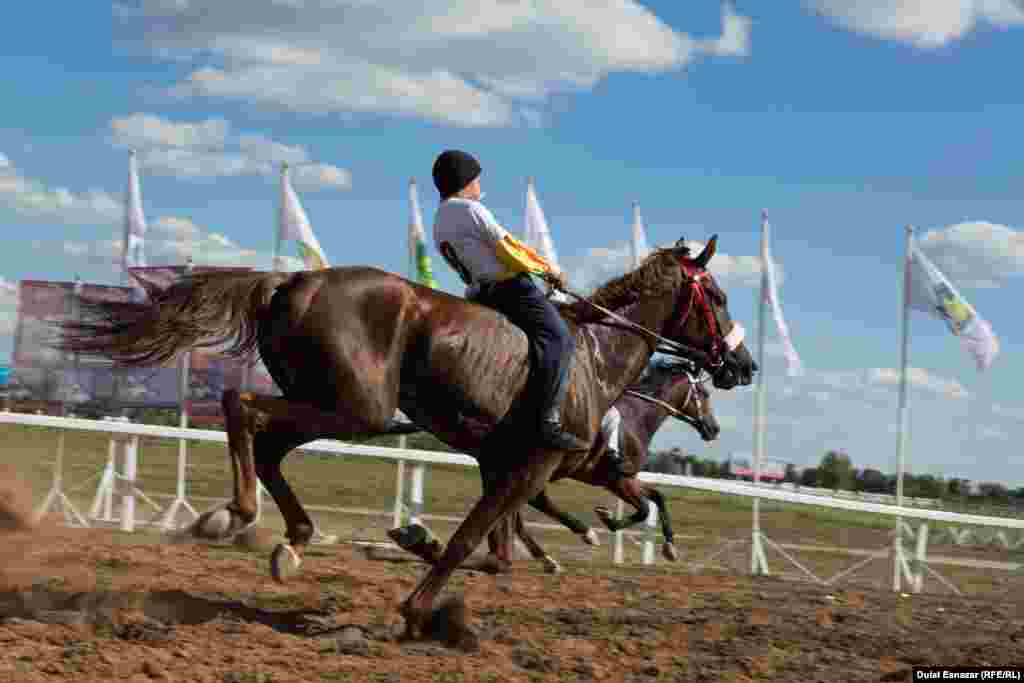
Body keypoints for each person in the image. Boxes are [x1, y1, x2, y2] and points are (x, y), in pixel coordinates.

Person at [431, 149, 587, 451]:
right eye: (477, 180)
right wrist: (549, 270)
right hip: (511, 291)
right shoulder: (470, 209)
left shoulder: (439, 219)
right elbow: (508, 247)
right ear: (465, 181)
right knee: (559, 338)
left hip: (479, 295)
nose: (480, 186)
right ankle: (545, 421)